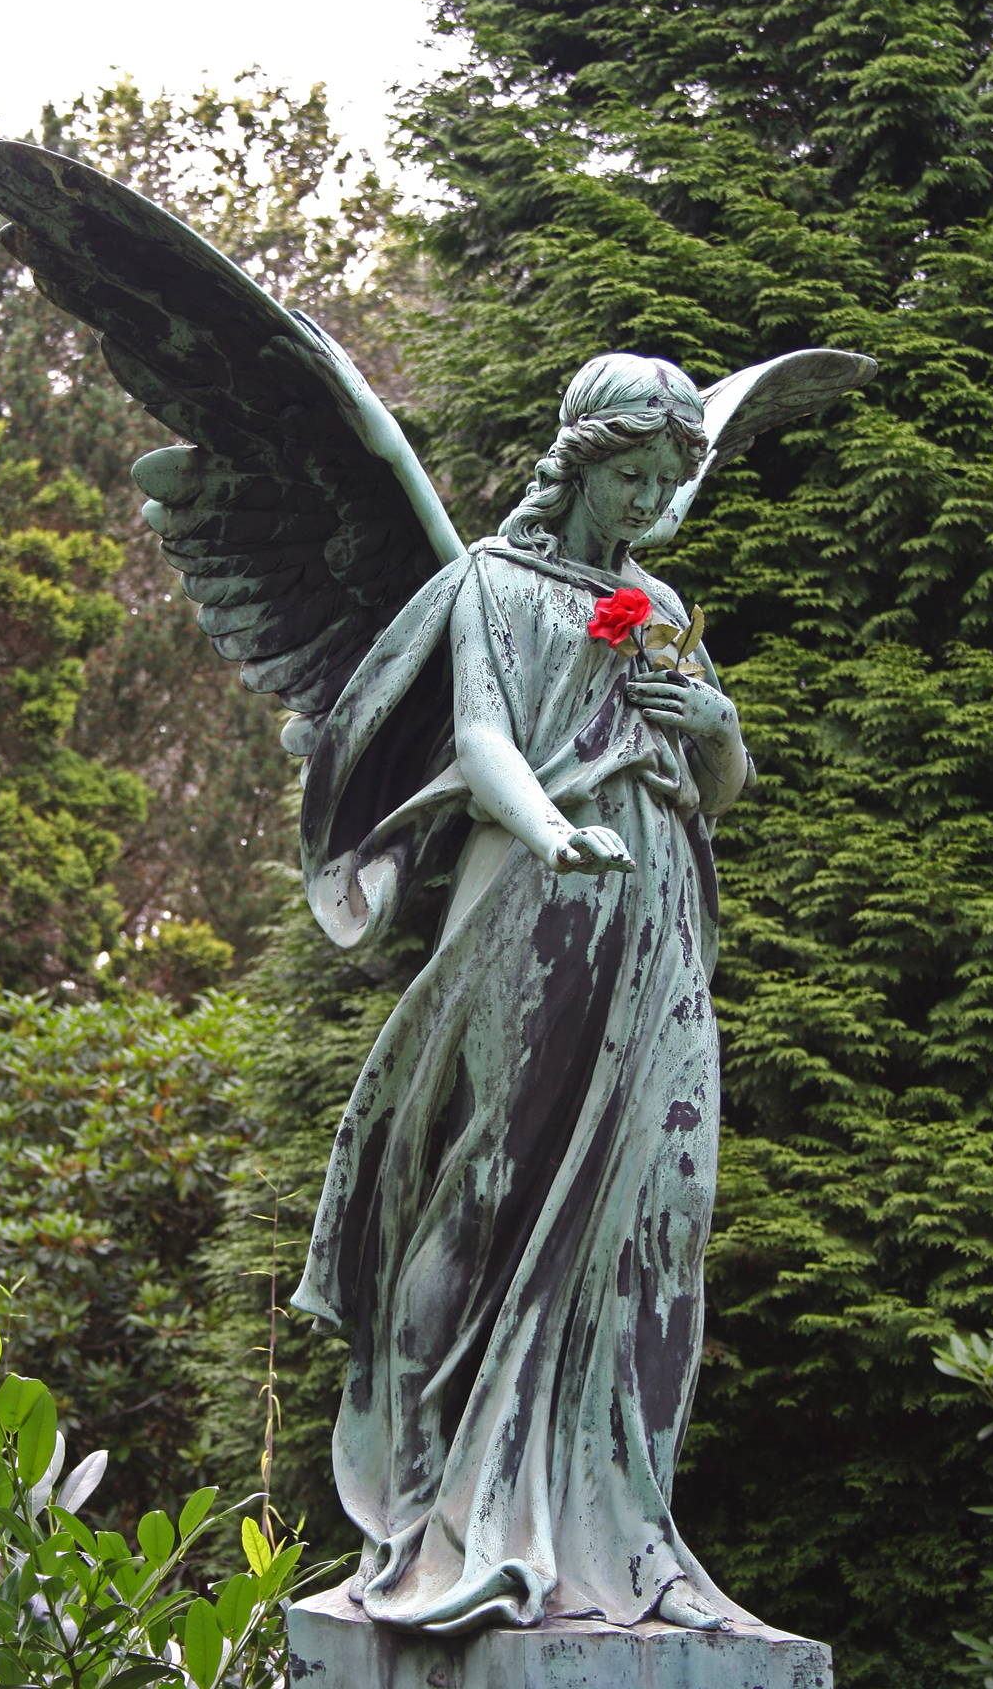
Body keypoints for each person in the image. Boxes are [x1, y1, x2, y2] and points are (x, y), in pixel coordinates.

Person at [294, 353, 753, 1637]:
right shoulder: (496, 581)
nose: (648, 502)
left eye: (667, 479)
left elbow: (716, 784)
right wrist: (552, 832)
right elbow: (488, 736)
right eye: (628, 476)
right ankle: (434, 1485)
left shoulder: (653, 600)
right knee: (486, 1184)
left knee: (660, 1206)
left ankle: (619, 1523)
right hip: (535, 901)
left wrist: (711, 724)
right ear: (578, 463)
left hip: (658, 912)